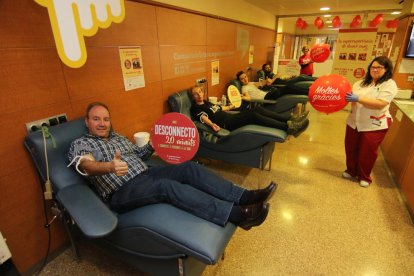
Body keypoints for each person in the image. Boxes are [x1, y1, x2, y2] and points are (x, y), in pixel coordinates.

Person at [67, 102, 278, 230]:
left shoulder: (118, 137)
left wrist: (152, 144)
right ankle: (238, 215)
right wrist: (110, 167)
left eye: (105, 119)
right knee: (167, 187)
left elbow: (138, 155)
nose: (102, 123)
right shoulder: (82, 143)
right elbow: (87, 166)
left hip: (146, 173)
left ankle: (244, 197)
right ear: (87, 121)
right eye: (96, 119)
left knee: (189, 168)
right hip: (122, 191)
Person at [343, 56, 398, 188]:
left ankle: (364, 176)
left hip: (374, 124)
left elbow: (380, 103)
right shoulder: (360, 83)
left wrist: (358, 98)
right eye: (372, 67)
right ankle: (351, 171)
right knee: (350, 148)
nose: (375, 69)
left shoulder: (389, 84)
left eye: (379, 67)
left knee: (367, 152)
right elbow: (350, 97)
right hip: (354, 122)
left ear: (386, 69)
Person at [190, 86, 309, 137]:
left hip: (231, 117)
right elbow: (203, 118)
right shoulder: (196, 108)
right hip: (227, 124)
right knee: (254, 116)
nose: (199, 95)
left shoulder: (207, 102)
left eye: (200, 92)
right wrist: (212, 125)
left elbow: (221, 108)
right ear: (193, 97)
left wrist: (231, 106)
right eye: (196, 94)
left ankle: (291, 119)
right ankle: (289, 128)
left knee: (256, 109)